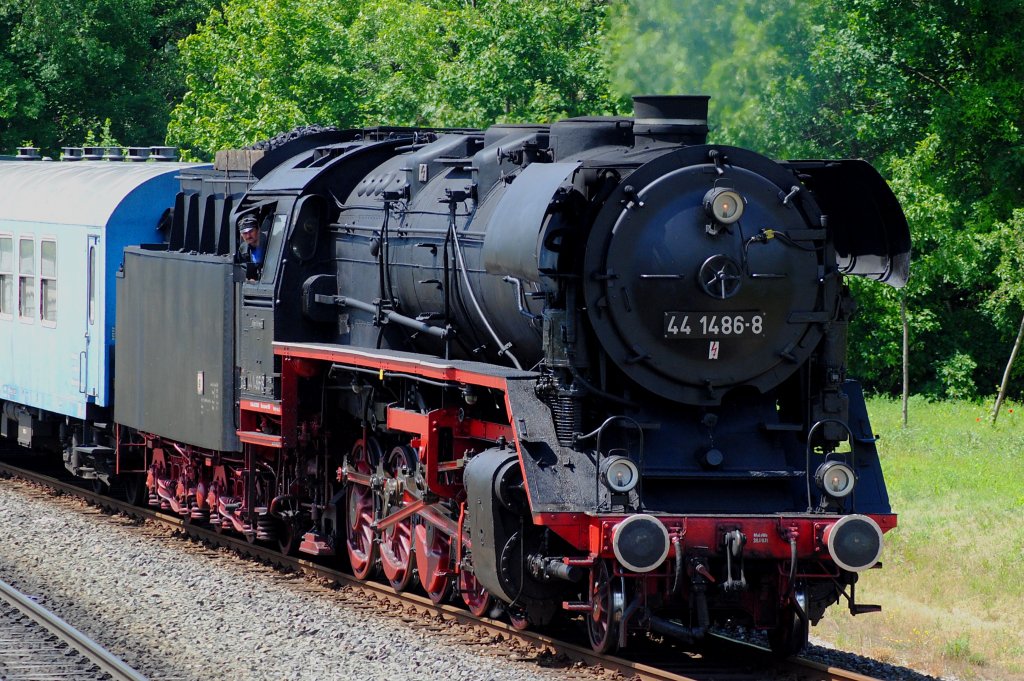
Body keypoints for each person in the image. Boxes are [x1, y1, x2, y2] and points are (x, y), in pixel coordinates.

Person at [235, 213, 266, 280]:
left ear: (258, 230)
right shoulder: (243, 250)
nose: (248, 236)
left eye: (251, 231)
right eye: (245, 233)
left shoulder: (270, 243)